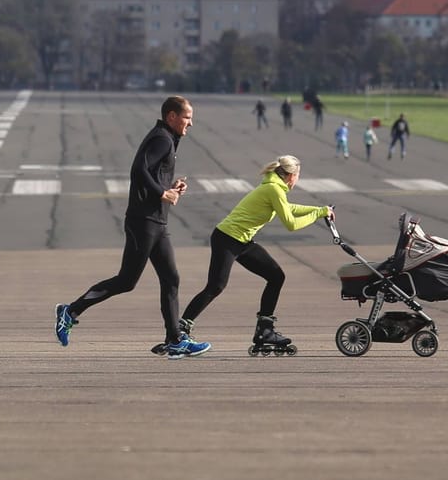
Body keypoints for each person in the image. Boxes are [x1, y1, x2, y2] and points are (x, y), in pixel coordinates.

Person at [55, 96, 209, 358]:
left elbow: (151, 172)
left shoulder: (167, 138)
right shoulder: (161, 137)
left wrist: (172, 188)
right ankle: (70, 311)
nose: (190, 123)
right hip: (144, 222)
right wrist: (162, 193)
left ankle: (174, 340)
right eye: (187, 117)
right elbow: (138, 170)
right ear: (171, 116)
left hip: (157, 222)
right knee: (127, 280)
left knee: (171, 279)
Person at [177, 155, 331, 356]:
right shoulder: (273, 189)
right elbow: (291, 224)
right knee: (216, 286)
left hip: (242, 241)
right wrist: (319, 214)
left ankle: (265, 331)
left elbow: (288, 208)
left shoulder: (274, 188)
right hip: (227, 238)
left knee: (276, 276)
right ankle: (180, 330)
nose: (297, 180)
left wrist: (320, 209)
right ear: (291, 176)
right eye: (298, 176)